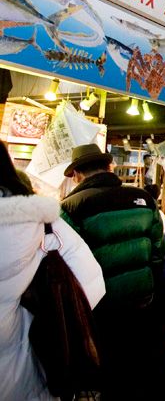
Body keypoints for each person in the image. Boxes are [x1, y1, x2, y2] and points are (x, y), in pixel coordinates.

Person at [60, 143, 165, 400]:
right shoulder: (143, 198)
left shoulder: (71, 207)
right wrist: (148, 286)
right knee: (132, 365)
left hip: (100, 306)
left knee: (104, 368)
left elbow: (66, 263)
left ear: (77, 174)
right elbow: (158, 252)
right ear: (108, 167)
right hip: (141, 300)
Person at [0, 141, 106, 401]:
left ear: (77, 174)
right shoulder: (43, 220)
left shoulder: (73, 204)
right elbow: (91, 282)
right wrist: (44, 319)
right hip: (26, 369)